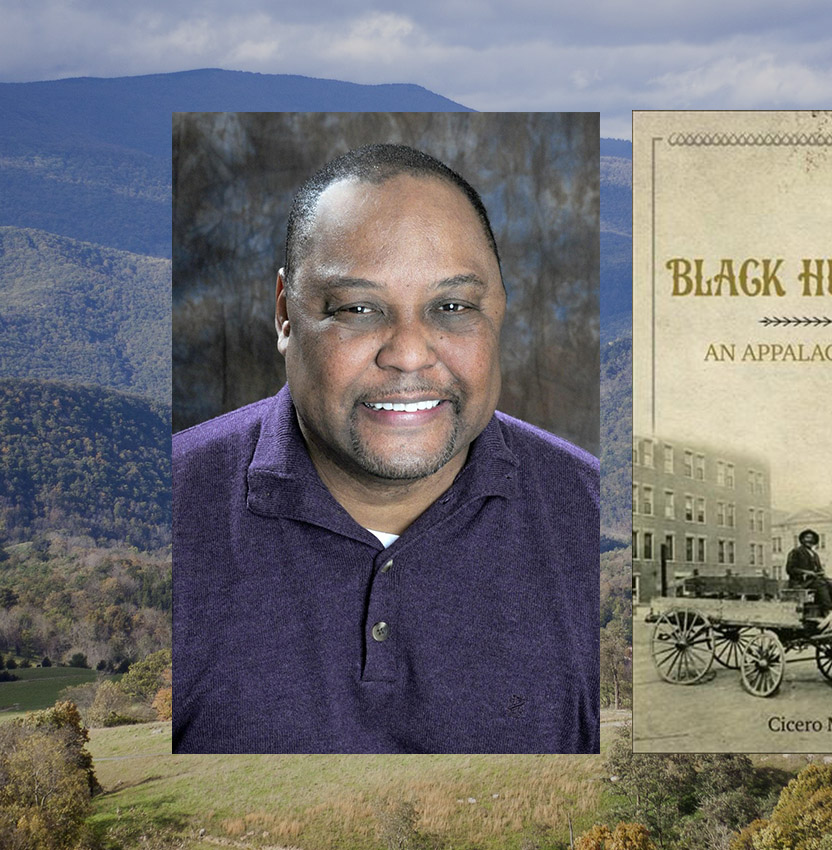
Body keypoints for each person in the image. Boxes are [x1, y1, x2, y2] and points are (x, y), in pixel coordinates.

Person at [172, 144, 599, 754]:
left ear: (501, 310)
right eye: (358, 309)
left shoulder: (597, 517)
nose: (408, 353)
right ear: (284, 314)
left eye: (452, 307)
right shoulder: (173, 508)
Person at [786, 529, 832, 617]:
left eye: (812, 538)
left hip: (813, 581)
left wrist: (822, 573)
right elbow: (790, 569)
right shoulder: (796, 552)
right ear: (802, 540)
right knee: (821, 585)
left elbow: (819, 569)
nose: (809, 540)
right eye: (807, 537)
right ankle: (827, 611)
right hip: (800, 583)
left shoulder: (815, 555)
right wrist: (807, 572)